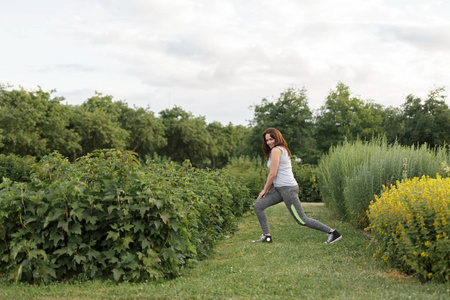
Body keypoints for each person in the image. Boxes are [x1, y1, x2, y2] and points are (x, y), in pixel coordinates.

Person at [253, 128, 342, 244]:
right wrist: (267, 190)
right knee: (258, 205)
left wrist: (264, 190)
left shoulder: (277, 150)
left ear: (277, 138)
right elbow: (275, 175)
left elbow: (272, 174)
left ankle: (333, 233)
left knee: (301, 220)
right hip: (279, 189)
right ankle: (267, 236)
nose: (269, 142)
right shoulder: (278, 150)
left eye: (271, 139)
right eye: (267, 140)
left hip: (288, 189)